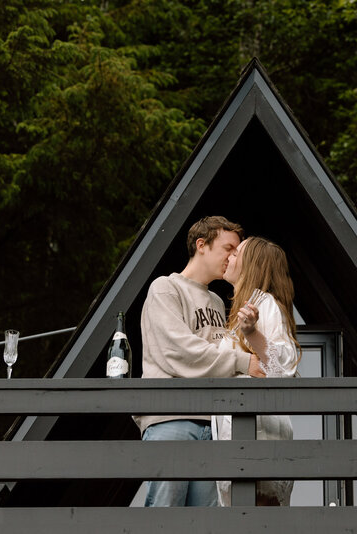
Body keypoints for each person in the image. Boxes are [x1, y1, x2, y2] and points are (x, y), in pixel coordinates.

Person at [135, 216, 265, 507]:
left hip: (216, 424)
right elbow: (179, 352)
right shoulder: (166, 288)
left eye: (236, 251)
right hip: (172, 418)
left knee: (207, 525)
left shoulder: (219, 303)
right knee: (164, 518)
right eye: (228, 248)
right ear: (201, 245)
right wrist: (243, 362)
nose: (233, 257)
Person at [213, 236, 301, 506]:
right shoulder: (243, 309)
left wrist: (253, 334)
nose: (229, 257)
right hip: (239, 439)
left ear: (252, 265)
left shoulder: (267, 305)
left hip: (258, 436)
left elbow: (282, 366)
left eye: (236, 253)